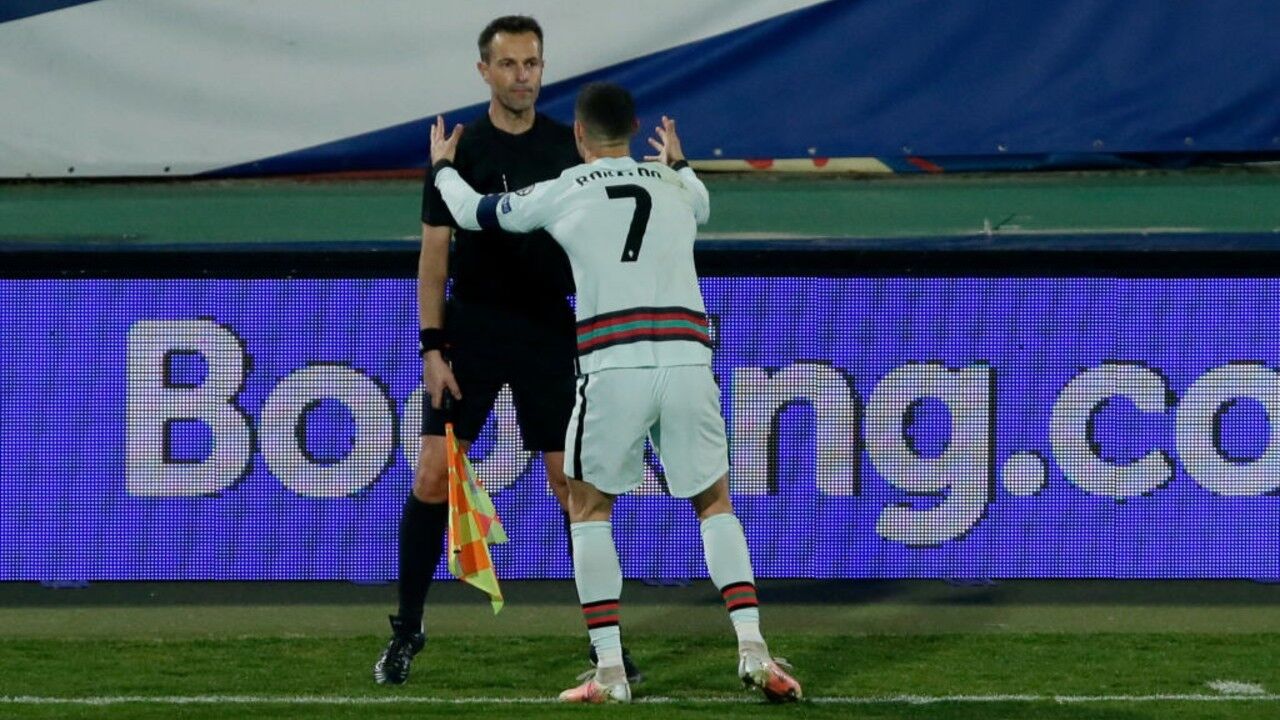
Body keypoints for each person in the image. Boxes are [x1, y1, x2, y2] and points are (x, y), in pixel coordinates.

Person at [430, 82, 803, 704]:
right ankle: (754, 648)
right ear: (633, 130)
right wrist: (678, 160)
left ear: (578, 134)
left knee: (588, 509)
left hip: (614, 365)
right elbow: (704, 201)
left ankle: (609, 672)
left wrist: (443, 168)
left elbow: (472, 212)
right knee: (714, 503)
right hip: (687, 361)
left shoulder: (564, 189)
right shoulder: (677, 186)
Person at [375, 15, 640, 686]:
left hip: (549, 329)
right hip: (475, 330)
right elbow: (434, 259)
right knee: (433, 476)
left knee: (573, 486)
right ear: (484, 71)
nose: (523, 76)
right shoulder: (457, 153)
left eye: (532, 63)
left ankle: (606, 645)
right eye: (509, 64)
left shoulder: (565, 146)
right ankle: (407, 630)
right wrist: (433, 348)